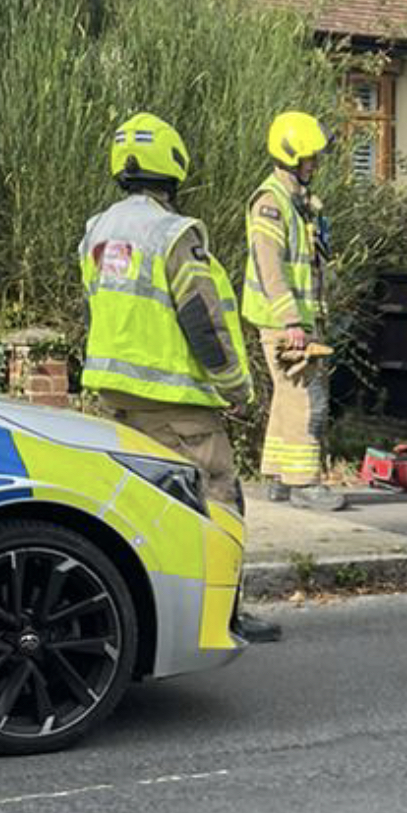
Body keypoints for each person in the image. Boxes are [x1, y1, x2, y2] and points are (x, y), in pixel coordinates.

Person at [80, 111, 280, 644]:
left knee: (142, 510)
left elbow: (95, 309)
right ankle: (226, 615)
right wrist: (236, 387)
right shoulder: (174, 233)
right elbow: (203, 320)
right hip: (180, 405)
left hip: (117, 399)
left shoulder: (96, 231)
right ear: (174, 165)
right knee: (217, 500)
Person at [243, 111, 346, 512]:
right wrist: (291, 321)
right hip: (285, 324)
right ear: (290, 156)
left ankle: (278, 476)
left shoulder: (299, 202)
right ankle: (305, 483)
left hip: (297, 323)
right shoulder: (271, 202)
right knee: (308, 400)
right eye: (310, 158)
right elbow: (270, 266)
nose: (315, 164)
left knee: (288, 398)